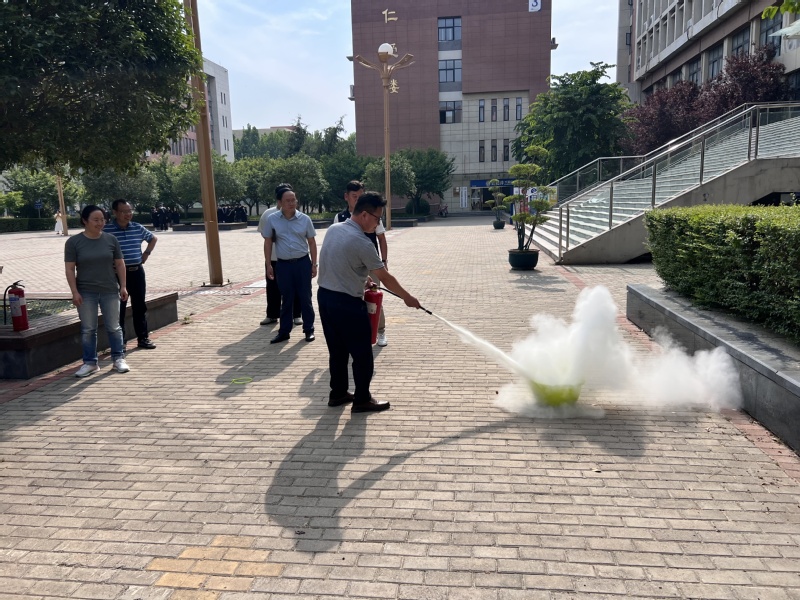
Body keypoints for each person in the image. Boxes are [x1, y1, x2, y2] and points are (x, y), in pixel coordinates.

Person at [318, 191, 421, 413]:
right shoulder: (363, 242)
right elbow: (385, 277)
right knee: (362, 353)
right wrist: (407, 297)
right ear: (364, 214)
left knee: (337, 351)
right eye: (377, 218)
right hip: (347, 303)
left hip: (325, 298)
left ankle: (338, 393)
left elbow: (339, 261)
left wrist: (363, 279)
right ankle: (362, 399)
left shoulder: (334, 229)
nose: (378, 224)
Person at [64, 205, 130, 377]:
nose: (100, 223)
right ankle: (90, 363)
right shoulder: (74, 242)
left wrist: (123, 286)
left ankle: (118, 359)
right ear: (84, 221)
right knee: (88, 329)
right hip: (86, 292)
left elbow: (120, 264)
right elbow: (70, 269)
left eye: (102, 219)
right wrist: (74, 292)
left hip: (109, 290)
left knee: (114, 327)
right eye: (96, 220)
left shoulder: (111, 239)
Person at [335, 180, 390, 347]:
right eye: (354, 196)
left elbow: (381, 239)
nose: (358, 199)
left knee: (374, 297)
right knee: (353, 299)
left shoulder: (373, 215)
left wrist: (384, 261)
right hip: (351, 266)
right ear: (346, 197)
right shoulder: (340, 218)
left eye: (360, 196)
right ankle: (356, 333)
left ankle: (380, 331)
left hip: (371, 264)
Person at [262, 183, 317, 344]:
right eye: (288, 200)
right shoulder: (272, 219)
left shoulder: (305, 219)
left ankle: (309, 330)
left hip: (302, 263)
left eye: (294, 200)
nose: (292, 203)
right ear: (280, 202)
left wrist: (314, 264)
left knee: (305, 297)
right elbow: (267, 242)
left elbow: (312, 242)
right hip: (283, 265)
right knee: (286, 299)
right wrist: (268, 264)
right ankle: (284, 332)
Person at [103, 199, 158, 350]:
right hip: (116, 275)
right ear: (115, 212)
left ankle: (143, 338)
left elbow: (153, 238)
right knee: (119, 309)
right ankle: (121, 342)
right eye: (124, 211)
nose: (128, 214)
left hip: (137, 272)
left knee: (139, 306)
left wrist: (146, 253)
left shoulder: (137, 227)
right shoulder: (107, 230)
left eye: (130, 211)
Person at [258, 198, 301, 327]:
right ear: (279, 200)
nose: (290, 202)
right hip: (274, 258)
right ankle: (272, 314)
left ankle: (296, 314)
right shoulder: (268, 215)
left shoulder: (298, 215)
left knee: (294, 287)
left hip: (291, 258)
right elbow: (264, 234)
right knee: (272, 287)